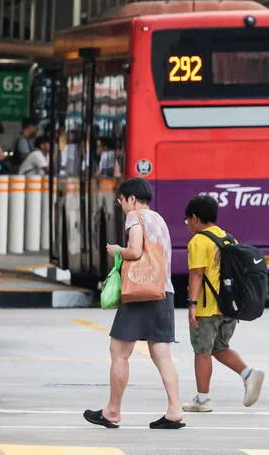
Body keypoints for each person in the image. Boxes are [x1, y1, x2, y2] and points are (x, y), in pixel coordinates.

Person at [84, 178, 184, 430]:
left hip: (140, 292)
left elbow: (136, 251)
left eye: (121, 201)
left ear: (131, 198)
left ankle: (112, 411)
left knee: (119, 351)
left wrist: (118, 249)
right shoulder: (159, 219)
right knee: (162, 354)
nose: (122, 206)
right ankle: (175, 410)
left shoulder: (134, 217)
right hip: (163, 291)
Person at [182, 194, 265, 413]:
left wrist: (192, 305)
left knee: (202, 351)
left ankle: (202, 399)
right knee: (219, 347)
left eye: (188, 219)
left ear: (195, 217)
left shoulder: (198, 241)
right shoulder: (228, 238)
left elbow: (196, 275)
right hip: (229, 306)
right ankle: (248, 374)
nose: (187, 224)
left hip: (207, 308)